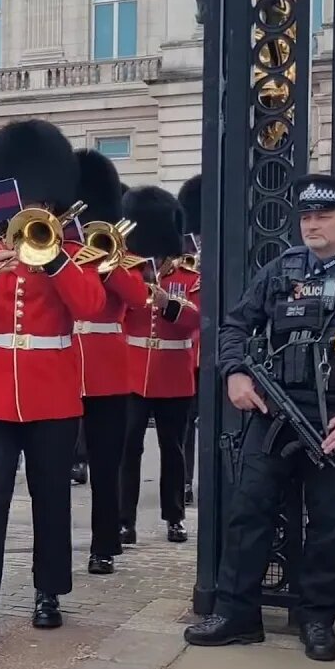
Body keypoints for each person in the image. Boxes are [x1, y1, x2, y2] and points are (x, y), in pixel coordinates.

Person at [0, 119, 105, 641]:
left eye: (39, 206)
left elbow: (91, 305)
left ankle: (48, 592)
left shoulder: (75, 258)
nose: (28, 215)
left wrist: (55, 257)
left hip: (52, 395)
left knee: (50, 497)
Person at [185, 173, 335, 662]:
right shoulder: (284, 268)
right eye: (305, 216)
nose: (312, 224)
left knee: (326, 523)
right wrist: (235, 374)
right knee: (248, 511)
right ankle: (237, 614)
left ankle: (317, 618)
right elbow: (235, 325)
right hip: (275, 410)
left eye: (322, 216)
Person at [70, 149, 150, 575]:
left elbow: (139, 301)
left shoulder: (119, 257)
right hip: (62, 368)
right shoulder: (57, 252)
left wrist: (107, 262)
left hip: (106, 374)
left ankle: (104, 543)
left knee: (105, 465)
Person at [117, 186, 200, 546]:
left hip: (173, 372)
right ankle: (124, 520)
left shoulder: (189, 275)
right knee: (128, 447)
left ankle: (174, 517)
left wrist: (167, 303)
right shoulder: (129, 271)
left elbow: (196, 319)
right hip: (133, 371)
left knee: (173, 448)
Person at [178, 173, 203, 505]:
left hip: (213, 354)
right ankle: (184, 480)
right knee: (185, 425)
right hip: (187, 355)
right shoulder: (184, 256)